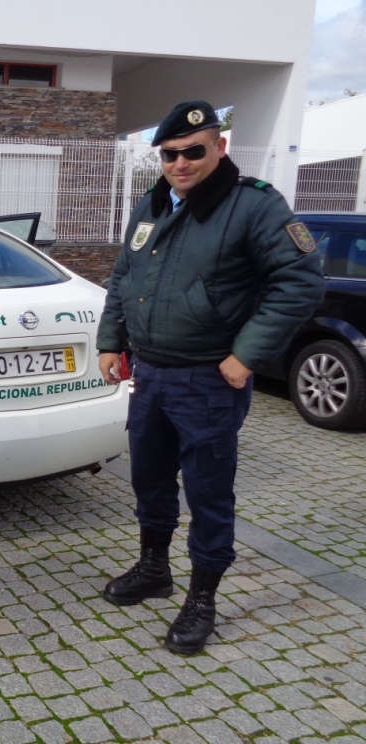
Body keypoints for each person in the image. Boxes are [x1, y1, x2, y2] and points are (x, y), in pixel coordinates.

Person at [96, 100, 325, 655]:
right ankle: (155, 569)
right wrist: (110, 339)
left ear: (219, 147)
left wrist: (247, 355)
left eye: (193, 151)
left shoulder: (254, 206)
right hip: (151, 374)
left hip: (209, 381)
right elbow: (125, 275)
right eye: (169, 154)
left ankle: (202, 598)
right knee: (150, 480)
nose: (180, 163)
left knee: (208, 494)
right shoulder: (152, 204)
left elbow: (300, 282)